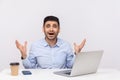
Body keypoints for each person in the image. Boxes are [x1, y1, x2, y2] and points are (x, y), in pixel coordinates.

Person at [15, 16, 86, 69]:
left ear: (59, 30)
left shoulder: (66, 45)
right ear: (43, 29)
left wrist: (77, 54)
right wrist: (24, 55)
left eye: (54, 26)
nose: (51, 29)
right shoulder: (35, 46)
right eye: (48, 26)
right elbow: (30, 68)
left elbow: (70, 66)